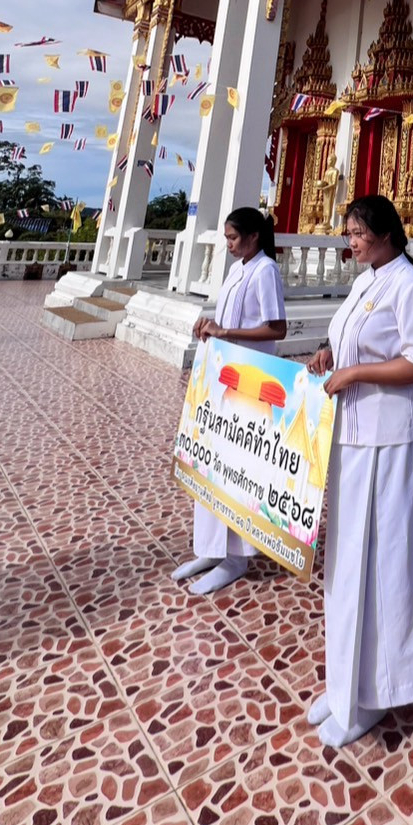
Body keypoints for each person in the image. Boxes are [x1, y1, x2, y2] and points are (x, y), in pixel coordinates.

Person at [306, 195, 413, 747]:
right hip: (355, 438)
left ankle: (376, 693)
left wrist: (357, 371)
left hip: (391, 444)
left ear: (385, 232)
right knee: (347, 563)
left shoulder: (410, 284)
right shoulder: (367, 279)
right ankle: (344, 684)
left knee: (382, 568)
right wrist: (328, 354)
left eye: (358, 232)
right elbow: (350, 338)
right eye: (348, 232)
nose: (351, 241)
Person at [173, 207, 287, 596]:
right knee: (213, 464)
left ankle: (236, 556)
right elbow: (227, 319)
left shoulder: (265, 270)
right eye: (225, 238)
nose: (228, 245)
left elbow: (277, 327)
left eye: (233, 238)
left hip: (251, 381)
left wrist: (227, 332)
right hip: (224, 376)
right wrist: (209, 325)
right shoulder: (239, 268)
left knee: (238, 468)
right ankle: (210, 548)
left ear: (254, 236)